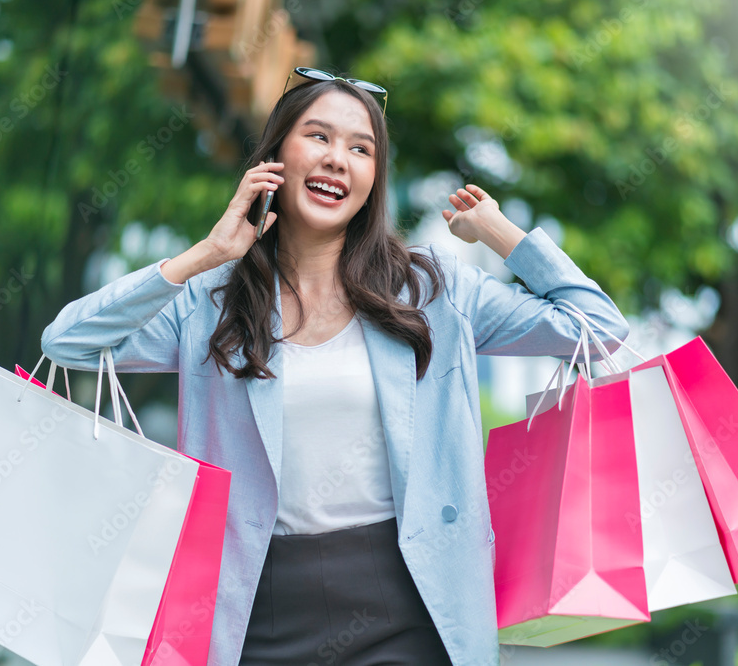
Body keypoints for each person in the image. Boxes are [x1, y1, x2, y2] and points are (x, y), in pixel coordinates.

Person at [40, 66, 630, 666]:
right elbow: (69, 342)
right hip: (255, 605)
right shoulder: (210, 300)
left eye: (360, 148)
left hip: (408, 600)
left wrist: (500, 233)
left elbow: (599, 330)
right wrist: (209, 253)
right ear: (274, 159)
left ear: (374, 179)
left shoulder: (431, 290)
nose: (337, 159)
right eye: (317, 137)